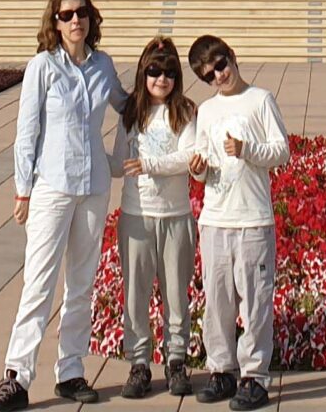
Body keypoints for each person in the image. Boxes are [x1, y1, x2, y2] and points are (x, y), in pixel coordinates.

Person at [0, 0, 119, 412]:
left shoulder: (103, 66)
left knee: (81, 283)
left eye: (81, 13)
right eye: (66, 15)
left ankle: (71, 370)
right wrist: (22, 189)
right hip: (51, 188)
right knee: (39, 284)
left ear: (91, 17)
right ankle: (17, 376)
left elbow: (129, 108)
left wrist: (166, 91)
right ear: (55, 22)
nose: (75, 21)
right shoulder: (42, 67)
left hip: (94, 186)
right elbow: (27, 134)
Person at [185, 33, 289, 409]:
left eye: (220, 65)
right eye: (208, 74)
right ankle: (222, 370)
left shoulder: (260, 100)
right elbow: (203, 160)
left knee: (255, 301)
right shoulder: (207, 110)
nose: (218, 76)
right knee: (217, 301)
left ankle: (255, 376)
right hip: (215, 218)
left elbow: (282, 152)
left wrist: (247, 150)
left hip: (253, 219)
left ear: (232, 57)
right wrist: (196, 170)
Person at [117, 36, 202, 400]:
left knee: (175, 294)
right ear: (143, 72)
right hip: (137, 214)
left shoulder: (184, 111)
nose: (161, 79)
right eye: (153, 71)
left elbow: (189, 155)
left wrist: (150, 164)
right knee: (135, 294)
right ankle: (139, 363)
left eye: (168, 72)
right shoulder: (131, 113)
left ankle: (177, 359)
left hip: (175, 215)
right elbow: (121, 162)